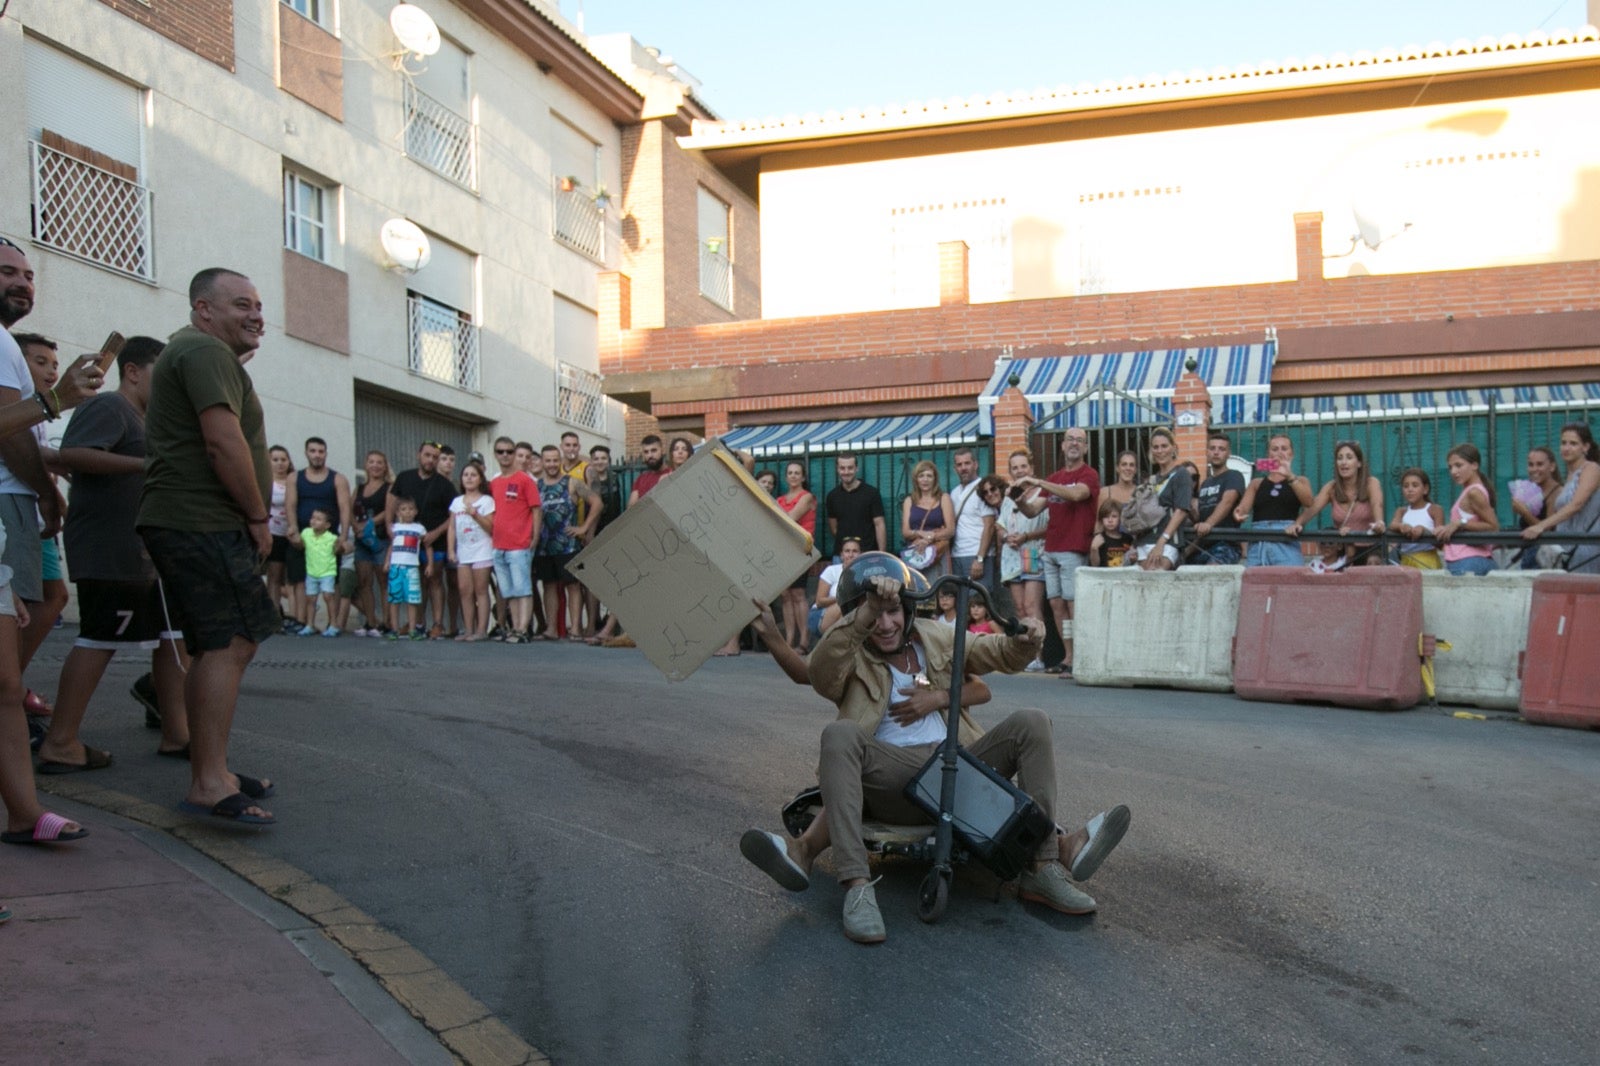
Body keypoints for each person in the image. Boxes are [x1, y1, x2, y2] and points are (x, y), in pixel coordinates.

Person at [739, 553, 1130, 944]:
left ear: (908, 608)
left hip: (955, 768)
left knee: (1032, 720)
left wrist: (1027, 638)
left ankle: (1043, 866)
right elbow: (820, 672)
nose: (886, 624)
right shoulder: (849, 651)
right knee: (839, 734)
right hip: (893, 780)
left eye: (893, 611)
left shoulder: (934, 636)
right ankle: (857, 886)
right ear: (855, 617)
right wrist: (863, 613)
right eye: (874, 613)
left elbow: (997, 652)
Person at [137, 267, 278, 825]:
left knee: (216, 642)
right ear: (204, 309)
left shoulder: (194, 352)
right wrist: (258, 516)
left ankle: (210, 766)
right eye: (241, 304)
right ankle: (209, 780)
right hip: (202, 520)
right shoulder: (203, 352)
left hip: (188, 520)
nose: (256, 314)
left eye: (259, 304)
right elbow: (223, 444)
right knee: (232, 641)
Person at [37, 336, 196, 772]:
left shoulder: (147, 419)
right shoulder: (109, 407)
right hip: (110, 548)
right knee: (100, 638)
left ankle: (177, 733)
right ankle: (60, 741)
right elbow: (74, 454)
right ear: (133, 371)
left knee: (173, 639)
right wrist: (144, 465)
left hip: (148, 551)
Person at [0, 246, 66, 704]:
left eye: (28, 275)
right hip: (11, 497)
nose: (23, 283)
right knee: (12, 623)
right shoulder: (3, 344)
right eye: (7, 273)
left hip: (17, 499)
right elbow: (9, 431)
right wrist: (46, 492)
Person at [1014, 429, 1099, 676]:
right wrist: (1018, 498)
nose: (1074, 444)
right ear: (1062, 446)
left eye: (1079, 441)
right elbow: (1032, 511)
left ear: (1085, 448)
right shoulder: (1056, 477)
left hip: (1073, 548)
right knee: (1056, 604)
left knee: (1073, 605)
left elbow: (1076, 494)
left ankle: (1080, 659)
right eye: (1070, 440)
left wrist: (1039, 482)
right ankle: (1068, 657)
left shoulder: (1088, 475)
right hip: (1051, 548)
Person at [15, 335, 71, 708]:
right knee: (35, 601)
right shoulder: (18, 406)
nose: (51, 370)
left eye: (53, 363)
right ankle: (11, 685)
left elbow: (41, 454)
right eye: (39, 362)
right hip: (22, 511)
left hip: (38, 515)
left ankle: (12, 681)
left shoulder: (39, 411)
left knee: (52, 596)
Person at [283, 436, 352, 632]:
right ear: (306, 453)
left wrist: (343, 537)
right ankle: (303, 622)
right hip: (303, 538)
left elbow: (345, 508)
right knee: (298, 579)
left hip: (328, 540)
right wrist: (294, 529)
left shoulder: (338, 479)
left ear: (326, 454)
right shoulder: (294, 477)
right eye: (313, 451)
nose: (317, 455)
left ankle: (334, 624)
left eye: (321, 451)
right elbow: (290, 504)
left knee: (333, 582)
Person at [388, 441, 455, 639]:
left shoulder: (445, 485)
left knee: (434, 580)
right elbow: (391, 501)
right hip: (407, 542)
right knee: (414, 581)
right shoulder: (404, 477)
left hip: (435, 541)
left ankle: (437, 624)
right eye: (427, 455)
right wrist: (389, 528)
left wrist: (436, 532)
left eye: (435, 457)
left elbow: (454, 514)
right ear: (419, 455)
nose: (431, 460)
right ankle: (416, 623)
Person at [534, 444, 600, 640]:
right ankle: (551, 629)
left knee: (573, 585)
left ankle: (576, 629)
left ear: (560, 461)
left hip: (568, 544)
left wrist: (583, 528)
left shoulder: (572, 482)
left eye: (555, 460)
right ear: (542, 462)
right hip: (545, 545)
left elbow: (597, 502)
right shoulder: (536, 485)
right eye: (548, 461)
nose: (552, 464)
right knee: (549, 585)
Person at [1291, 440, 1385, 570]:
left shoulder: (1371, 483)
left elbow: (1377, 504)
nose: (1344, 462)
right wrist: (1298, 523)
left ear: (1359, 463)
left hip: (1370, 550)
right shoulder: (1332, 487)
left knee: (1372, 565)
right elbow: (1313, 508)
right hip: (1345, 551)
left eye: (1349, 457)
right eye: (1340, 458)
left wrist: (1379, 522)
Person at [1522, 422, 1600, 574]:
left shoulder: (1591, 469)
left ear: (1585, 447)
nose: (1566, 448)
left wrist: (1541, 526)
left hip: (1586, 547)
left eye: (1573, 443)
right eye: (1563, 443)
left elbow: (1576, 504)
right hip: (1567, 547)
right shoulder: (1570, 476)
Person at [997, 451, 1049, 671]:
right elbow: (999, 525)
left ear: (1032, 469)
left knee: (1031, 606)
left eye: (1023, 466)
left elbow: (1049, 527)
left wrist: (1027, 536)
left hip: (1034, 553)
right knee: (1019, 608)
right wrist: (1004, 536)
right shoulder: (1008, 498)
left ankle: (1038, 655)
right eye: (1015, 467)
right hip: (1011, 556)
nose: (1020, 471)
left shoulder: (1042, 494)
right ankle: (1025, 655)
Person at [488, 436, 540, 644]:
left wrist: (534, 536)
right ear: (496, 454)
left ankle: (522, 628)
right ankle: (515, 627)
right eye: (501, 452)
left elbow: (536, 509)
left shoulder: (525, 480)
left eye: (509, 451)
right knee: (509, 590)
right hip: (499, 544)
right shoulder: (494, 482)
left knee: (523, 588)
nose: (505, 455)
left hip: (520, 543)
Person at [1233, 435, 1314, 567]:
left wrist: (1289, 476)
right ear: (1268, 454)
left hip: (1286, 539)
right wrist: (1238, 513)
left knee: (1288, 583)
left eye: (1284, 448)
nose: (1280, 453)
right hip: (1259, 542)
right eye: (1275, 449)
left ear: (1291, 454)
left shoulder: (1301, 480)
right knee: (1256, 585)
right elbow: (1242, 509)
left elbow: (1309, 502)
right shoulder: (1256, 483)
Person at [1129, 428, 1192, 572]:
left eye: (1164, 446)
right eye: (1155, 447)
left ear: (1173, 448)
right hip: (1145, 540)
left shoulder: (1181, 474)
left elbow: (1181, 511)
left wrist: (1161, 542)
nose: (1160, 450)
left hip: (1166, 541)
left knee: (1155, 579)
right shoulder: (1152, 479)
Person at [448, 459, 495, 641]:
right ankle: (468, 629)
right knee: (464, 590)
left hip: (482, 549)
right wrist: (451, 550)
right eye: (466, 475)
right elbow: (452, 527)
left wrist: (475, 514)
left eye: (473, 475)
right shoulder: (456, 502)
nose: (469, 478)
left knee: (481, 590)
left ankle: (481, 630)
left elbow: (491, 527)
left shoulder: (487, 501)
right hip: (463, 551)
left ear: (480, 479)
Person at [1433, 443, 1498, 575]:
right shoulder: (1471, 490)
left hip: (1467, 561)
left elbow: (1493, 527)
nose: (1453, 472)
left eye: (1459, 465)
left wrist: (1460, 523)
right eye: (1450, 467)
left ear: (1474, 465)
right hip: (1469, 560)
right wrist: (1449, 527)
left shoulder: (1474, 492)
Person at [776, 460, 817, 652]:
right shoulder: (780, 499)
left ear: (803, 477)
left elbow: (789, 518)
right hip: (784, 549)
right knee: (786, 595)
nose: (793, 476)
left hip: (800, 548)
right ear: (786, 477)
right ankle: (789, 639)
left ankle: (804, 640)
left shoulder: (806, 496)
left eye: (797, 473)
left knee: (799, 594)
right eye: (790, 472)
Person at [350, 450, 392, 636]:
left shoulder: (389, 487)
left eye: (379, 462)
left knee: (383, 582)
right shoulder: (359, 489)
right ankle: (370, 622)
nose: (375, 465)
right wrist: (355, 527)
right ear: (366, 465)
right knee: (364, 582)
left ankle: (387, 622)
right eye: (371, 462)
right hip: (361, 541)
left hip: (380, 539)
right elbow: (349, 509)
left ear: (385, 466)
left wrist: (369, 524)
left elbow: (389, 511)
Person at [584, 445, 623, 645]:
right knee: (593, 583)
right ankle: (592, 624)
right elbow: (591, 510)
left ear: (608, 461)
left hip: (614, 535)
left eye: (603, 458)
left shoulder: (616, 480)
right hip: (595, 535)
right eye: (596, 458)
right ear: (591, 461)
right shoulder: (588, 482)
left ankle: (609, 625)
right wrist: (589, 534)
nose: (600, 462)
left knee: (616, 582)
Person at [1192, 433, 1245, 564]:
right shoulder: (1205, 483)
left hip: (1226, 544)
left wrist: (1208, 524)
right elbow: (1200, 517)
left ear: (1228, 454)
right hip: (1202, 546)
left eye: (1221, 449)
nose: (1216, 452)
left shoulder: (1234, 476)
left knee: (1213, 576)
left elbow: (1227, 502)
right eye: (1213, 448)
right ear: (1207, 452)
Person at [948, 447, 998, 590]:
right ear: (955, 468)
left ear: (975, 464)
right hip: (957, 556)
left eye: (967, 463)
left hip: (978, 556)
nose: (963, 468)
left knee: (979, 603)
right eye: (959, 464)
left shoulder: (984, 489)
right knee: (961, 604)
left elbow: (989, 526)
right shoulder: (954, 493)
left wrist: (980, 558)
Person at [1508, 446, 1562, 569]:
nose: (1534, 469)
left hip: (1544, 558)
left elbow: (1548, 530)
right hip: (1528, 553)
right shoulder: (1531, 490)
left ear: (1552, 467)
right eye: (1531, 465)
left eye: (1540, 464)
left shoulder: (1556, 492)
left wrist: (1525, 513)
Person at [825, 453, 887, 555]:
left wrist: (882, 554)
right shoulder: (832, 496)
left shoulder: (871, 493)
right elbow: (834, 529)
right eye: (842, 468)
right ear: (837, 469)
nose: (846, 472)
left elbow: (879, 524)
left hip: (868, 553)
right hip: (842, 555)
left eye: (850, 468)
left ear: (856, 468)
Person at [900, 459, 954, 577]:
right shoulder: (909, 501)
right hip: (915, 553)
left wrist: (929, 538)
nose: (925, 480)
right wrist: (921, 534)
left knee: (937, 590)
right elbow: (905, 532)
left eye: (929, 476)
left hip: (937, 554)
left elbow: (950, 530)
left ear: (935, 479)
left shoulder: (944, 498)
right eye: (921, 476)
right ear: (916, 479)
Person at [385, 497, 427, 639]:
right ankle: (394, 629)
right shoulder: (395, 528)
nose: (407, 512)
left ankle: (412, 629)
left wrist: (430, 564)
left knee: (412, 600)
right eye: (403, 509)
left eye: (410, 509)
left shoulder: (419, 529)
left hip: (412, 567)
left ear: (415, 511)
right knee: (394, 599)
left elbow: (427, 546)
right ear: (398, 513)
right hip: (395, 566)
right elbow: (392, 546)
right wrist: (387, 562)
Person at [296, 507, 341, 635]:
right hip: (311, 571)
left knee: (328, 596)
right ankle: (310, 624)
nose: (314, 521)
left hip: (327, 571)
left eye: (319, 519)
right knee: (311, 598)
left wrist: (341, 546)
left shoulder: (332, 538)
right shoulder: (306, 533)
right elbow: (300, 544)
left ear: (327, 525)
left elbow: (340, 549)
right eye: (313, 518)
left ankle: (333, 624)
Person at [809, 536, 862, 643]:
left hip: (850, 615)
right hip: (821, 614)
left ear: (860, 554)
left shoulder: (864, 573)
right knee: (845, 605)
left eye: (855, 551)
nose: (851, 555)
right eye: (847, 551)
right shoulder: (831, 571)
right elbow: (819, 601)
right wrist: (842, 598)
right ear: (842, 555)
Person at [1390, 468, 1444, 569]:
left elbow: (1440, 540)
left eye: (1415, 485)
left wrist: (1424, 531)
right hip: (1405, 560)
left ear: (1425, 489)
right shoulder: (1402, 511)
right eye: (1406, 486)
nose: (1410, 489)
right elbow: (1393, 525)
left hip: (1427, 560)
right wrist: (1402, 526)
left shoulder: (1434, 509)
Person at [265, 445, 295, 626]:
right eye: (275, 459)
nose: (280, 463)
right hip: (273, 533)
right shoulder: (266, 482)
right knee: (274, 576)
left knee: (293, 578)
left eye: (283, 459)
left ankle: (298, 617)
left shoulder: (294, 480)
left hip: (292, 533)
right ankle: (274, 615)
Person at [1089, 499, 1134, 567]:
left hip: (1123, 576)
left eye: (1114, 516)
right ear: (1101, 520)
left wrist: (1132, 559)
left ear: (1121, 518)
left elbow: (1131, 562)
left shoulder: (1128, 539)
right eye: (1106, 517)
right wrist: (1094, 549)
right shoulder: (1099, 539)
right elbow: (1094, 565)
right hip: (1104, 576)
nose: (1110, 520)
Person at [628, 434, 670, 506]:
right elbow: (631, 510)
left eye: (654, 450)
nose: (650, 455)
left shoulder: (672, 474)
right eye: (646, 452)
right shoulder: (640, 479)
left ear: (662, 451)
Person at [1098, 449, 1140, 515]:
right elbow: (1098, 522)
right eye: (1124, 464)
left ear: (1135, 470)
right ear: (1117, 468)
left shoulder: (1142, 493)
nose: (1128, 468)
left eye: (1131, 465)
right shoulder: (1105, 493)